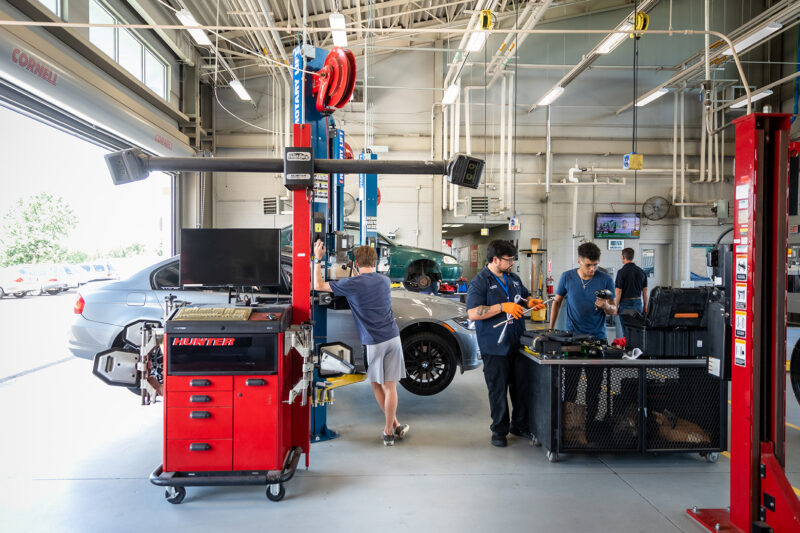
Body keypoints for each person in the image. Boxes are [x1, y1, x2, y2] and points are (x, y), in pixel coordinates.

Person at [313, 240, 410, 447]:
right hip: (393, 337)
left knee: (376, 384)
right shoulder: (384, 281)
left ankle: (387, 432)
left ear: (355, 263)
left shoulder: (352, 284)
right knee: (390, 386)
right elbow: (367, 281)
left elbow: (318, 286)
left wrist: (317, 259)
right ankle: (396, 425)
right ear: (375, 263)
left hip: (374, 342)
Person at [466, 240, 544, 447]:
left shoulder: (513, 278)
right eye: (508, 260)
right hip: (494, 346)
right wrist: (503, 307)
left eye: (512, 259)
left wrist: (530, 301)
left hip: (517, 342)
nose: (512, 263)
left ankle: (519, 425)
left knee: (521, 387)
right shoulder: (480, 282)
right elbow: (473, 313)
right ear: (495, 259)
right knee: (498, 389)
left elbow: (523, 296)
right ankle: (499, 430)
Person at [548, 242, 616, 445]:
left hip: (598, 339)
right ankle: (569, 426)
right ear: (579, 261)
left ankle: (591, 427)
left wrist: (606, 305)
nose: (592, 269)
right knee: (571, 384)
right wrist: (551, 330)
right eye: (588, 265)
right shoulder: (567, 277)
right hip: (573, 340)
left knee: (594, 387)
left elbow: (615, 309)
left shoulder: (605, 279)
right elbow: (557, 301)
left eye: (595, 264)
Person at [614, 247, 648, 339]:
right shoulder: (642, 272)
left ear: (623, 257)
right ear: (632, 257)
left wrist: (615, 307)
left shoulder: (621, 272)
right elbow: (645, 291)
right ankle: (638, 352)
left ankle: (629, 351)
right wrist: (645, 306)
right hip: (638, 304)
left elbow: (618, 291)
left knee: (627, 333)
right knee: (637, 332)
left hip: (625, 305)